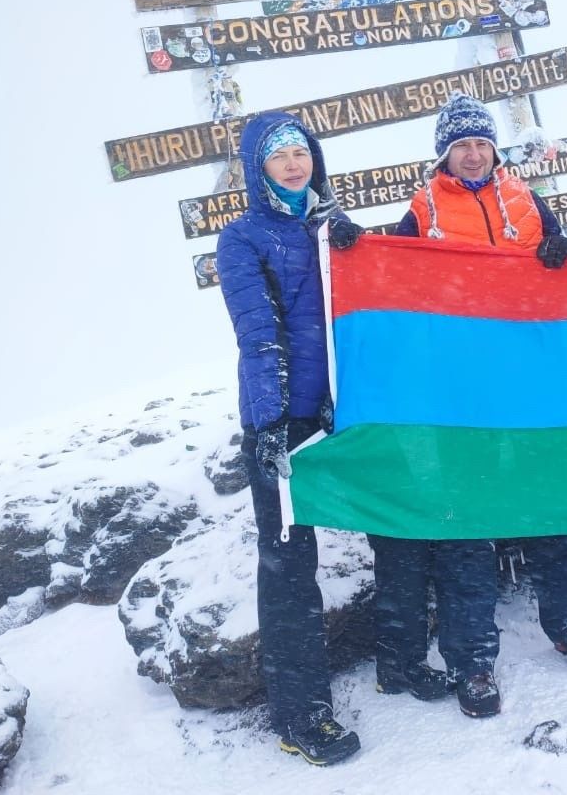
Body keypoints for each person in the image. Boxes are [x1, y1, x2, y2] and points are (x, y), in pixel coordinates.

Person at [389, 93, 567, 691]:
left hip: (531, 374)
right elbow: (397, 280)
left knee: (550, 498)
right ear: (444, 153)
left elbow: (560, 262)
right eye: (461, 145)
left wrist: (562, 252)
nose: (473, 153)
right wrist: (359, 252)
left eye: (481, 143)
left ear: (494, 148)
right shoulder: (422, 207)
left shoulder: (525, 197)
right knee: (470, 511)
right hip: (463, 385)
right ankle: (472, 654)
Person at [216, 112, 364, 766]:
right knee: (288, 568)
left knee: (396, 527)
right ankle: (300, 714)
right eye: (278, 155)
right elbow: (259, 332)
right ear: (258, 168)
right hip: (281, 423)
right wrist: (274, 425)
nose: (293, 163)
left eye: (301, 151)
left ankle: (407, 659)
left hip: (344, 416)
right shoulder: (243, 237)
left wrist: (363, 253)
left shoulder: (333, 231)